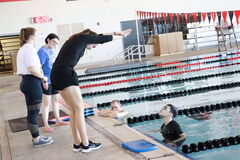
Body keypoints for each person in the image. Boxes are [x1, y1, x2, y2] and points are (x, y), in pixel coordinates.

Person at [50, 28, 132, 153]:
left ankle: (77, 143)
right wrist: (121, 36)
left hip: (56, 74)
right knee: (79, 109)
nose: (93, 47)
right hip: (66, 73)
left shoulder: (76, 40)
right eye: (94, 44)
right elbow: (101, 39)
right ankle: (86, 144)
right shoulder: (81, 38)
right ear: (89, 38)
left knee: (73, 110)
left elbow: (99, 36)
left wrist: (115, 32)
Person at [16, 27, 54, 147]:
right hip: (32, 83)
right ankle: (36, 140)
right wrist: (44, 78)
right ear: (32, 37)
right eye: (37, 35)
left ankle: (36, 136)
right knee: (33, 114)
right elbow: (32, 69)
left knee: (31, 113)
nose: (38, 38)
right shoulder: (30, 50)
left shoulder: (23, 49)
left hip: (27, 82)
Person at [37, 33, 68, 133]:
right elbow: (39, 67)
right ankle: (46, 125)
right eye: (54, 41)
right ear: (48, 40)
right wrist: (43, 80)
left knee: (56, 100)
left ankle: (58, 120)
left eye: (56, 43)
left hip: (54, 79)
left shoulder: (50, 50)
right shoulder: (42, 51)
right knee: (46, 103)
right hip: (47, 80)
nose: (55, 44)